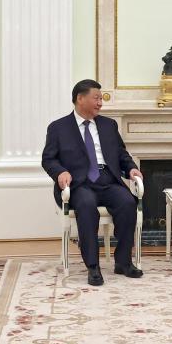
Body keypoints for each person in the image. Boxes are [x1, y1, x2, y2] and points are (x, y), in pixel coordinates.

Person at [42, 79, 144, 286]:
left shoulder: (108, 125)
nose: (100, 103)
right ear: (80, 99)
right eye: (96, 98)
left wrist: (131, 168)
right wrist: (60, 172)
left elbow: (121, 154)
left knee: (127, 203)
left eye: (101, 99)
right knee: (87, 207)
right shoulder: (58, 128)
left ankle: (123, 261)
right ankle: (93, 266)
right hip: (79, 183)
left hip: (108, 179)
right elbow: (48, 159)